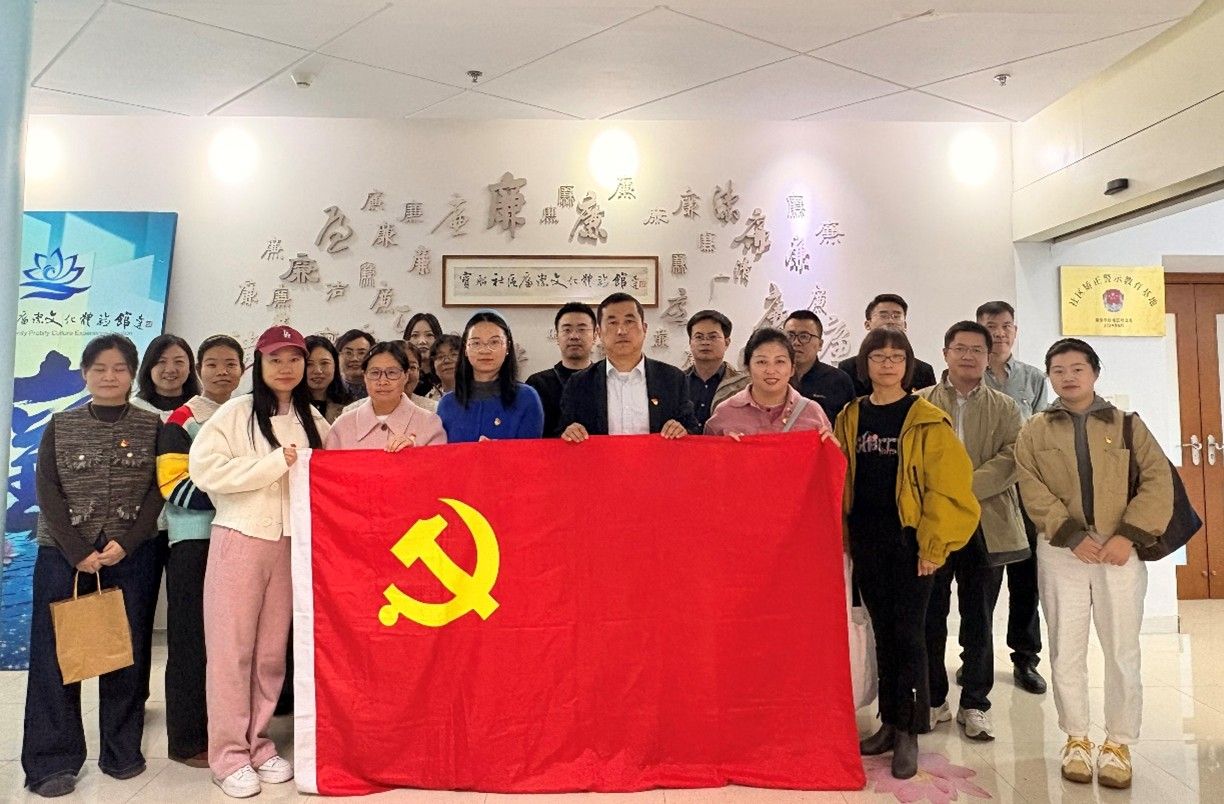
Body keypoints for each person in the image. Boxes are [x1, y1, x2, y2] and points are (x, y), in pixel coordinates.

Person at [1015, 338, 1172, 790]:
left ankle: (1119, 743)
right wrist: (1070, 535)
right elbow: (1031, 486)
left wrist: (1128, 535)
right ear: (1049, 376)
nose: (1068, 377)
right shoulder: (1035, 430)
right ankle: (1077, 739)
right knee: (1065, 647)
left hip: (1119, 549)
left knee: (1122, 649)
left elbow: (1157, 480)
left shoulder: (1127, 425)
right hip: (1062, 550)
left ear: (1095, 373)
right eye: (1058, 370)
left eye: (1077, 368)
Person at [189, 326, 329, 798]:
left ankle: (259, 743)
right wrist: (273, 465)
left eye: (295, 359)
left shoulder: (314, 420)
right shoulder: (236, 412)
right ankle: (228, 755)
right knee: (232, 652)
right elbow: (204, 470)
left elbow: (340, 472)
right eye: (275, 359)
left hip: (291, 545)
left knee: (270, 654)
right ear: (259, 365)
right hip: (240, 539)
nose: (286, 368)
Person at [833, 328, 979, 780]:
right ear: (865, 364)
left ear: (909, 365)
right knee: (882, 635)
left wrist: (934, 547)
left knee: (910, 635)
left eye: (896, 357)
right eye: (878, 357)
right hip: (867, 542)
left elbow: (949, 489)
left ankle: (910, 731)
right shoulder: (850, 416)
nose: (887, 364)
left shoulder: (927, 419)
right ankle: (889, 722)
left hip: (911, 545)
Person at [22, 334, 164, 798]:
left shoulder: (151, 425)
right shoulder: (60, 424)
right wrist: (75, 550)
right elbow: (47, 489)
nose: (109, 376)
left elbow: (157, 490)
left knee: (126, 653)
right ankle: (51, 762)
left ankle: (122, 752)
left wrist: (128, 542)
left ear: (132, 375)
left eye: (119, 368)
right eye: (99, 368)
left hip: (130, 554)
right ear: (85, 374)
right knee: (55, 656)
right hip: (63, 555)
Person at [916, 322, 1028, 742]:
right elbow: (913, 460)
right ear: (945, 353)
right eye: (959, 348)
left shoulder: (1005, 407)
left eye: (976, 350)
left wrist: (961, 488)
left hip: (986, 523)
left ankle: (976, 703)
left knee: (979, 617)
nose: (968, 356)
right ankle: (934, 700)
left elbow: (1013, 456)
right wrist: (945, 495)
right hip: (934, 524)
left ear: (988, 355)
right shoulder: (920, 403)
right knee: (931, 615)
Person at [156, 334, 245, 767]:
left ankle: (232, 731)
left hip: (240, 539)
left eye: (231, 364)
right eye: (212, 364)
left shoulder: (249, 413)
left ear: (243, 370)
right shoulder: (183, 419)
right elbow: (176, 487)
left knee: (231, 644)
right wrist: (244, 489)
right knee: (191, 641)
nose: (222, 372)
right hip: (194, 542)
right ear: (199, 370)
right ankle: (187, 740)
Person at [977, 300, 1050, 695]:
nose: (999, 332)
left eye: (1006, 325)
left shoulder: (1034, 378)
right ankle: (976, 659)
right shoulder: (968, 376)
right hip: (985, 492)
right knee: (981, 584)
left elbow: (1042, 433)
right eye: (991, 325)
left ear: (1015, 331)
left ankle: (1025, 659)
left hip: (1025, 490)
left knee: (1026, 579)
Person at [131, 333, 198, 704]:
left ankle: (185, 701)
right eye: (161, 361)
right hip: (143, 530)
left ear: (191, 367)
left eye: (179, 361)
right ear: (148, 367)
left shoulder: (201, 411)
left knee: (186, 619)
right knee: (137, 615)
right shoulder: (133, 409)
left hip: (189, 529)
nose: (170, 369)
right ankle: (134, 697)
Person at [560, 292, 699, 442]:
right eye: (612, 323)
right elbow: (561, 433)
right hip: (600, 458)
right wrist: (569, 432)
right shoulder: (579, 383)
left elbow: (692, 430)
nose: (622, 331)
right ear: (599, 332)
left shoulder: (672, 379)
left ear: (644, 328)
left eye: (629, 321)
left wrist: (682, 430)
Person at [437, 311, 543, 442]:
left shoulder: (526, 398)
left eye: (494, 342)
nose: (485, 350)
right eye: (476, 343)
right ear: (465, 349)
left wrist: (495, 450)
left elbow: (530, 452)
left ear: (508, 347)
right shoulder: (447, 404)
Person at [704, 328, 831, 437]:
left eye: (780, 361)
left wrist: (831, 447)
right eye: (762, 362)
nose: (771, 370)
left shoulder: (812, 413)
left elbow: (825, 458)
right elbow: (706, 456)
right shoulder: (725, 413)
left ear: (792, 369)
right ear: (748, 368)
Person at [328, 341, 446, 450]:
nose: (383, 381)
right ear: (364, 376)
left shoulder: (429, 424)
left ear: (406, 376)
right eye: (375, 373)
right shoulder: (341, 426)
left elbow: (437, 464)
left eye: (392, 372)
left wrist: (414, 453)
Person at [837, 294, 937, 395]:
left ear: (905, 325)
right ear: (867, 324)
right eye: (883, 316)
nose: (890, 321)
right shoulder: (848, 368)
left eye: (896, 316)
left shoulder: (923, 370)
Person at [527, 302, 597, 437]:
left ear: (595, 336)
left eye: (582, 329)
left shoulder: (605, 380)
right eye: (567, 330)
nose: (574, 336)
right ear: (557, 337)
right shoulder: (537, 384)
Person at [784, 310, 855, 423]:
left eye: (804, 336)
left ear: (820, 344)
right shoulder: (772, 377)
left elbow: (848, 425)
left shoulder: (839, 380)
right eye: (790, 336)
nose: (796, 342)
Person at [685, 309, 748, 428]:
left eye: (712, 337)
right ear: (690, 342)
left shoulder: (744, 384)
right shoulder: (677, 382)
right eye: (699, 337)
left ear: (727, 342)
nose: (705, 342)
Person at [305, 335, 351, 423]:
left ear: (335, 365)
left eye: (324, 363)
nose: (318, 371)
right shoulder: (288, 406)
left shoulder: (349, 406)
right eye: (309, 364)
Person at [404, 312, 443, 396]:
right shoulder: (401, 375)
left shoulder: (446, 373)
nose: (422, 341)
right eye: (415, 335)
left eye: (429, 335)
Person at [335, 329, 375, 401]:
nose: (354, 358)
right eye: (348, 353)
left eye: (361, 353)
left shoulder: (381, 389)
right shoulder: (328, 389)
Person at [428, 334, 461, 401]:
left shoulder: (481, 395)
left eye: (454, 354)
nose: (446, 361)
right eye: (440, 356)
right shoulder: (427, 401)